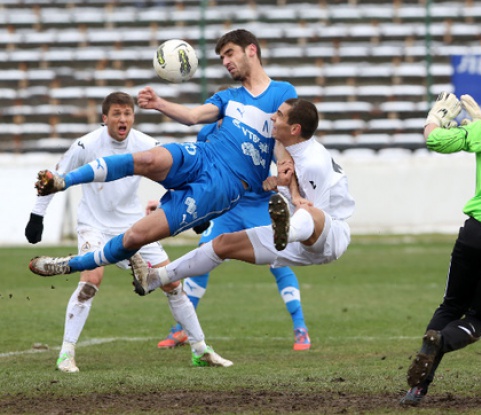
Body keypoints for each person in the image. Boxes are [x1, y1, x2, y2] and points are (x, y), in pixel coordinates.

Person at [28, 29, 297, 277]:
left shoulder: (282, 92)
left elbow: (283, 140)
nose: (225, 61)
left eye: (229, 54)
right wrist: (158, 103)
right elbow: (193, 116)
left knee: (136, 236)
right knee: (148, 158)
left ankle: (70, 264)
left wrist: (281, 176)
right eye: (222, 57)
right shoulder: (229, 96)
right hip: (204, 155)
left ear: (251, 50)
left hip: (226, 184)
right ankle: (63, 181)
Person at [26, 92, 232, 372]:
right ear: (105, 118)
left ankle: (200, 349)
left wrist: (194, 211)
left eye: (127, 114)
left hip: (134, 226)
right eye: (117, 114)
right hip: (94, 225)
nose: (123, 119)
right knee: (90, 280)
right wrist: (37, 216)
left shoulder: (146, 144)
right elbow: (54, 176)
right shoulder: (85, 144)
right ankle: (66, 353)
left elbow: (176, 175)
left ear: (133, 117)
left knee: (172, 283)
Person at [128, 99, 355, 326]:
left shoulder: (313, 162)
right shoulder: (287, 146)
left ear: (295, 129)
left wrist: (286, 189)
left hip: (330, 235)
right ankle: (156, 277)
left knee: (308, 214)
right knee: (223, 244)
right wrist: (281, 185)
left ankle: (286, 232)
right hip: (295, 237)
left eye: (280, 114)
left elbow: (315, 213)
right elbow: (294, 192)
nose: (273, 117)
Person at [156, 118, 310, 351]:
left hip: (259, 204)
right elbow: (198, 171)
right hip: (227, 207)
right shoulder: (207, 132)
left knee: (279, 260)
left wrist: (278, 182)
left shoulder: (257, 130)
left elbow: (284, 164)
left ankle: (300, 328)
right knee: (202, 255)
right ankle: (180, 329)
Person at [400, 92, 481, 406]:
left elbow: (436, 141)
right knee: (479, 319)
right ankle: (441, 342)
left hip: (476, 233)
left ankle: (418, 388)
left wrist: (434, 118)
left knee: (450, 307)